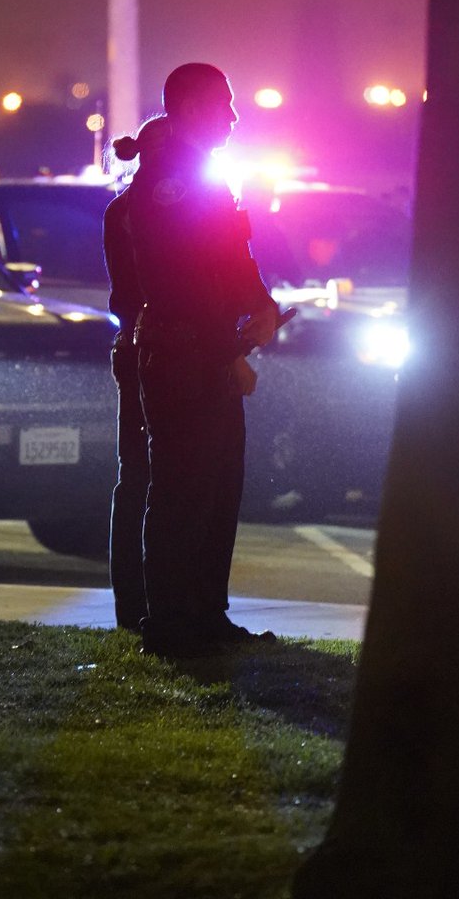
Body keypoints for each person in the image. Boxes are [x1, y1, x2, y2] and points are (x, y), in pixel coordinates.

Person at [125, 63, 281, 656]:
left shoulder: (201, 177)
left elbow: (231, 259)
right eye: (224, 105)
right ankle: (170, 625)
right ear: (190, 110)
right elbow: (184, 283)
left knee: (218, 491)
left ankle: (206, 617)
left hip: (207, 351)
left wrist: (261, 302)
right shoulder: (171, 183)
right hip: (184, 355)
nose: (235, 117)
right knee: (184, 492)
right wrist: (227, 356)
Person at [102, 114, 170, 633]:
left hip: (132, 347)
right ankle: (143, 605)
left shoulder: (122, 207)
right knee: (146, 479)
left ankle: (135, 604)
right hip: (152, 351)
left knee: (137, 477)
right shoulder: (151, 210)